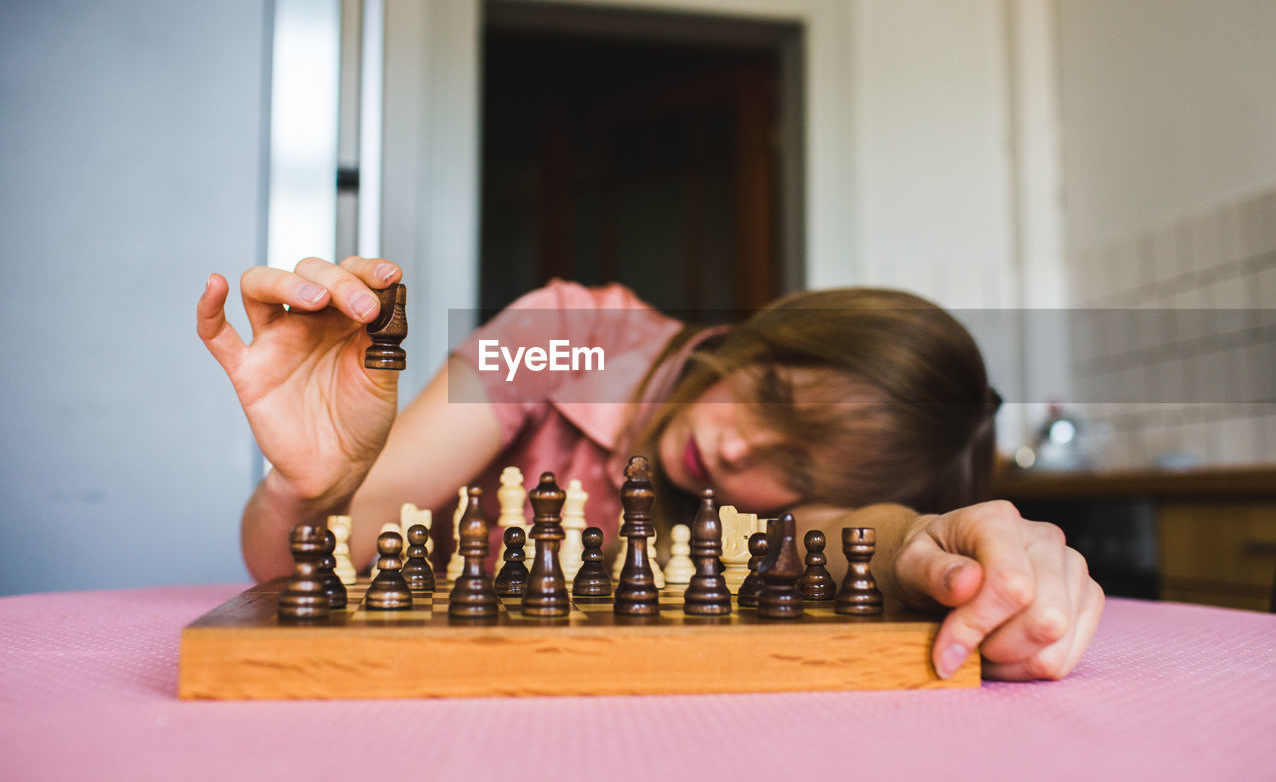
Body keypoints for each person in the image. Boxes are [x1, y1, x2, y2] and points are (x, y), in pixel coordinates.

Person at [197, 256, 1104, 682]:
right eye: (774, 395)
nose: (738, 446)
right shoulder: (555, 340)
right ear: (772, 333)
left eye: (794, 469)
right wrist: (318, 484)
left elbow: (845, 540)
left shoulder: (801, 532)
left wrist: (920, 545)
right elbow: (317, 552)